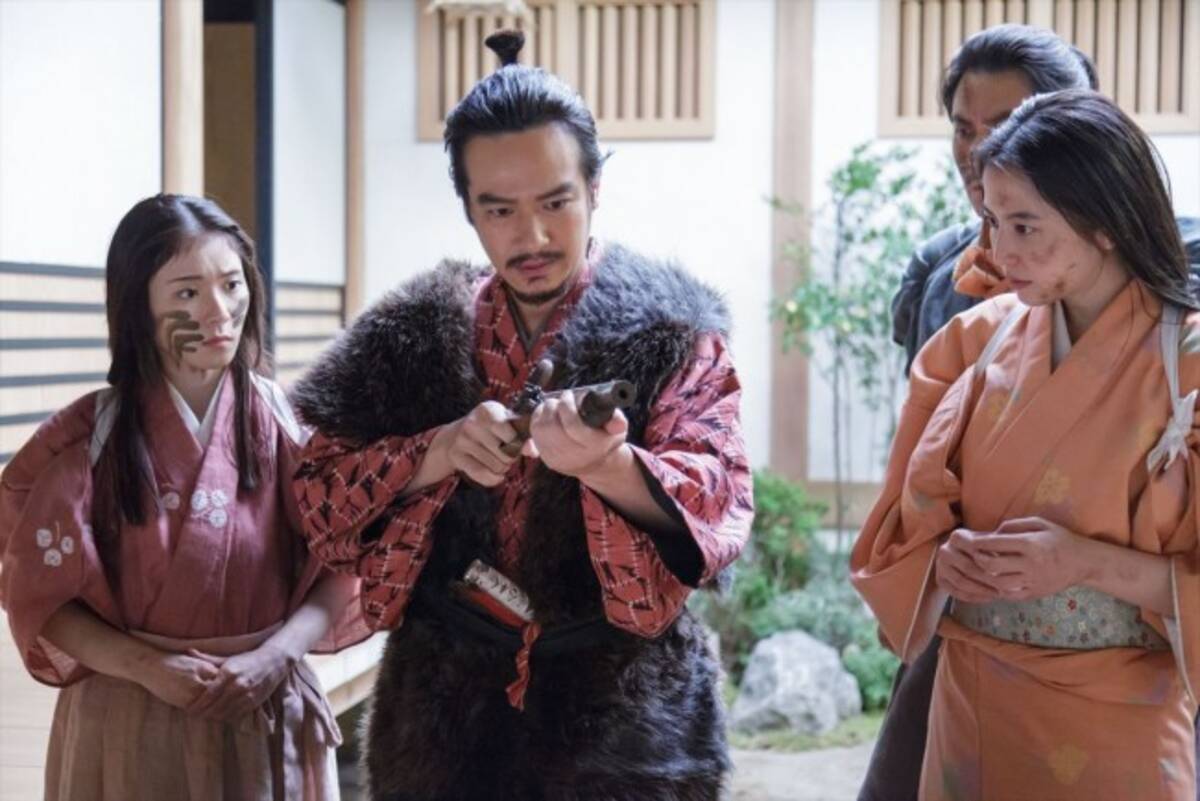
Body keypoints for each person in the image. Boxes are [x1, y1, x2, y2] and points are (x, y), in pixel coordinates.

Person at [290, 31, 753, 801]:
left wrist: (608, 465)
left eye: (555, 203)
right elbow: (316, 491)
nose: (531, 236)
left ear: (595, 188)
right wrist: (437, 451)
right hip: (442, 713)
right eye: (499, 209)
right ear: (469, 209)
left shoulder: (672, 330)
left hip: (627, 718)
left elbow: (719, 498)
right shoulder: (412, 332)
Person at [868, 25, 1200, 801]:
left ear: (1104, 220)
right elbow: (904, 528)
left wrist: (1085, 563)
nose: (999, 251)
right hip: (971, 696)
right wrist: (941, 564)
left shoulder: (1185, 358)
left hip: (1119, 714)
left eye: (1024, 227)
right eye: (993, 222)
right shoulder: (968, 342)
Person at [0, 194, 368, 801]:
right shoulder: (89, 439)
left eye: (231, 284)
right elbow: (39, 594)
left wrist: (277, 656)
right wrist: (147, 667)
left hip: (263, 702)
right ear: (138, 304)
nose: (219, 311)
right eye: (188, 292)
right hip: (129, 712)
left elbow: (343, 565)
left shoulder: (294, 427)